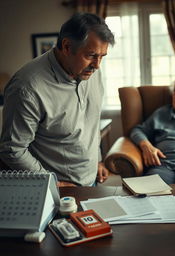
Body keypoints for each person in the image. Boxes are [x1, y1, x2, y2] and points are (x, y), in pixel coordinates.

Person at [0, 13, 115, 186]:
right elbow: (12, 149)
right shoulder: (26, 88)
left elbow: (90, 123)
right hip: (55, 189)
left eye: (102, 57)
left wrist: (97, 160)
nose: (97, 65)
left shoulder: (92, 72)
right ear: (67, 47)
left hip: (91, 181)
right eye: (91, 55)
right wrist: (51, 182)